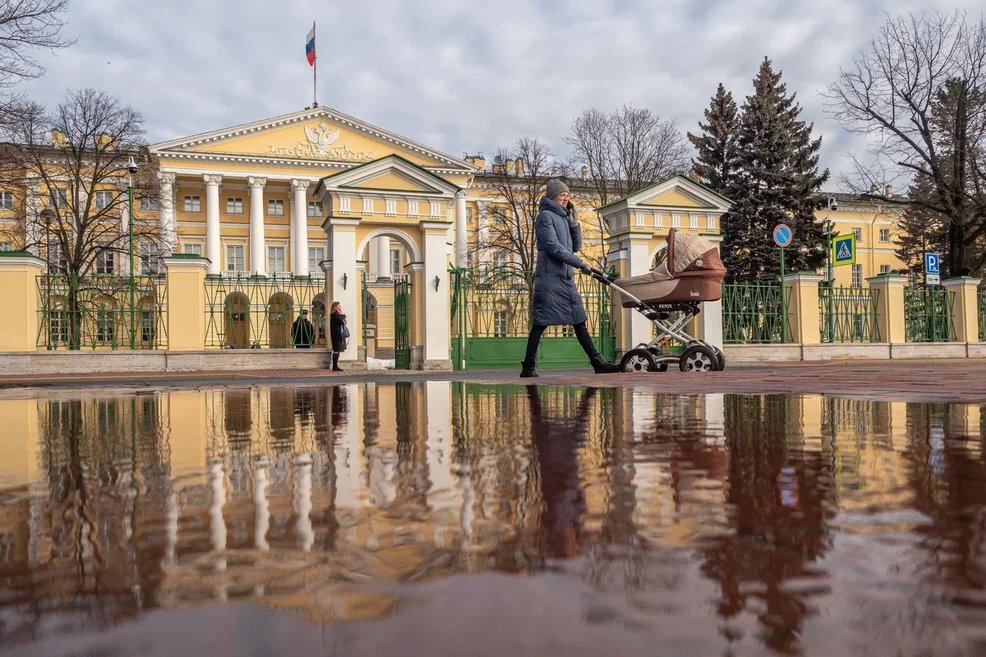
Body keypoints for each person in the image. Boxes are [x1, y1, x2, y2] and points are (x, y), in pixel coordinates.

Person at [521, 179, 619, 377]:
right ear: (552, 196)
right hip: (549, 278)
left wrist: (574, 224)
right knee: (541, 322)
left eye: (567, 195)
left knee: (579, 320)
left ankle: (597, 362)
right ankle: (528, 367)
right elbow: (552, 246)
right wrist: (580, 263)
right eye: (561, 195)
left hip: (565, 278)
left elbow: (574, 247)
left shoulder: (564, 218)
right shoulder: (545, 217)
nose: (565, 198)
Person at [329, 301, 348, 372]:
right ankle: (335, 366)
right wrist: (342, 316)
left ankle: (335, 365)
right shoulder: (335, 315)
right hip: (336, 335)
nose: (340, 307)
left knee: (336, 350)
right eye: (338, 306)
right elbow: (342, 322)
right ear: (335, 307)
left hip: (336, 334)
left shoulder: (334, 315)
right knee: (336, 350)